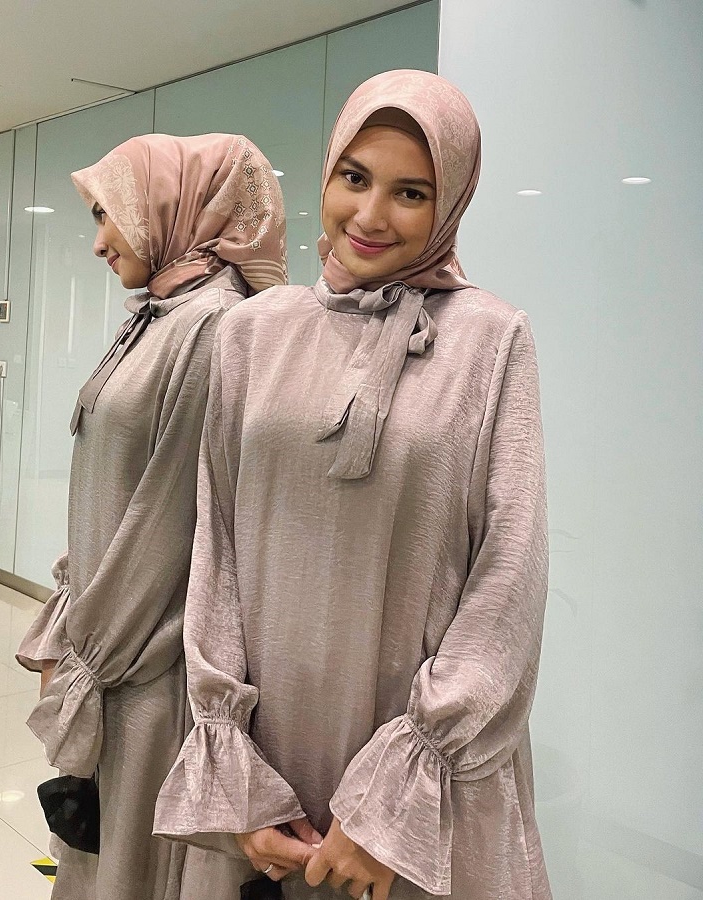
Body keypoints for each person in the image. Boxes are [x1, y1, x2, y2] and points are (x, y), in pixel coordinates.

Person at [155, 70, 552, 900]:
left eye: (411, 193)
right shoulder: (251, 332)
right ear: (327, 172)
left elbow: (510, 571)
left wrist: (397, 797)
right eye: (354, 177)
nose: (371, 216)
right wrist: (233, 769)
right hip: (269, 750)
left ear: (451, 202)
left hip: (412, 771)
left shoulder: (490, 341)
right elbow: (216, 544)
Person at [16, 132, 288, 900]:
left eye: (110, 216)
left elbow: (167, 529)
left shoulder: (213, 325)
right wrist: (70, 629)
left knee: (133, 873)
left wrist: (90, 655)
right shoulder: (159, 314)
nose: (99, 242)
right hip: (113, 658)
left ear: (173, 208)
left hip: (149, 669)